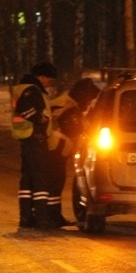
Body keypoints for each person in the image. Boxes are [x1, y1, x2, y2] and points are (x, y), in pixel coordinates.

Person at [11, 62, 62, 230]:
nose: (50, 83)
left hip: (27, 138)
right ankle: (41, 218)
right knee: (40, 179)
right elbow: (24, 109)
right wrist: (41, 119)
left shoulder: (25, 88)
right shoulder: (32, 90)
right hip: (35, 138)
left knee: (27, 181)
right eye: (49, 80)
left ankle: (26, 217)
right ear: (42, 77)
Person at [48, 77, 101, 227]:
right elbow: (76, 128)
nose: (90, 103)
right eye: (90, 99)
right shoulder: (67, 105)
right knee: (54, 183)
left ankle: (52, 216)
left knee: (56, 183)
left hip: (55, 150)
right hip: (53, 150)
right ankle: (50, 217)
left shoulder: (70, 104)